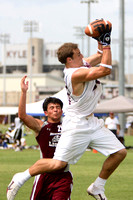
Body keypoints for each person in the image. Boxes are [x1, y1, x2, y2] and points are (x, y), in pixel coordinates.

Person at [7, 21, 127, 200]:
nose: (83, 56)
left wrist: (100, 40)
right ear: (70, 60)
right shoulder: (75, 74)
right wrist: (108, 41)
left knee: (120, 152)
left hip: (91, 122)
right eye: (79, 54)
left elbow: (100, 55)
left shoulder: (79, 65)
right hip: (76, 124)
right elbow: (105, 70)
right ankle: (21, 177)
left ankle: (97, 187)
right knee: (57, 165)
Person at [7, 76, 73, 200]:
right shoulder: (41, 126)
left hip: (63, 176)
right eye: (52, 108)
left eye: (58, 107)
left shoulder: (69, 126)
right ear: (46, 113)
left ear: (62, 111)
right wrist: (23, 92)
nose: (55, 110)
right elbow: (22, 116)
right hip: (43, 175)